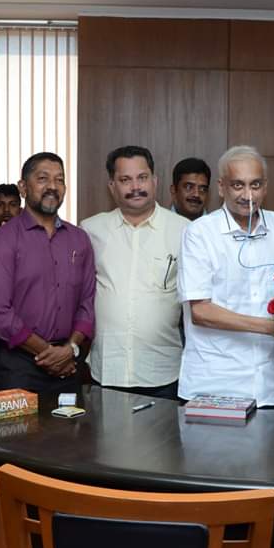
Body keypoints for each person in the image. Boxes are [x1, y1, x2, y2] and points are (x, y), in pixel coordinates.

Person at [178, 145, 274, 406]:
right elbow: (201, 312)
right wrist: (270, 327)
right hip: (215, 383)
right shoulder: (200, 232)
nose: (248, 195)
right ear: (221, 187)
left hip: (273, 385)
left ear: (265, 186)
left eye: (255, 185)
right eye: (238, 185)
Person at [81, 146, 188, 399]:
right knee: (108, 440)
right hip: (107, 371)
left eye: (142, 177)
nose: (135, 187)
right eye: (125, 180)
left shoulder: (185, 231)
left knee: (163, 440)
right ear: (112, 186)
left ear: (155, 181)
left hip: (164, 371)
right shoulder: (90, 230)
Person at [0, 152, 95, 394]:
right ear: (23, 187)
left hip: (68, 362)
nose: (52, 187)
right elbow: (0, 311)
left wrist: (69, 350)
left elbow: (87, 302)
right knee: (19, 433)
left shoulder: (79, 239)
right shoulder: (4, 239)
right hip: (18, 365)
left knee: (70, 431)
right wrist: (48, 354)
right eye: (43, 178)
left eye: (59, 179)